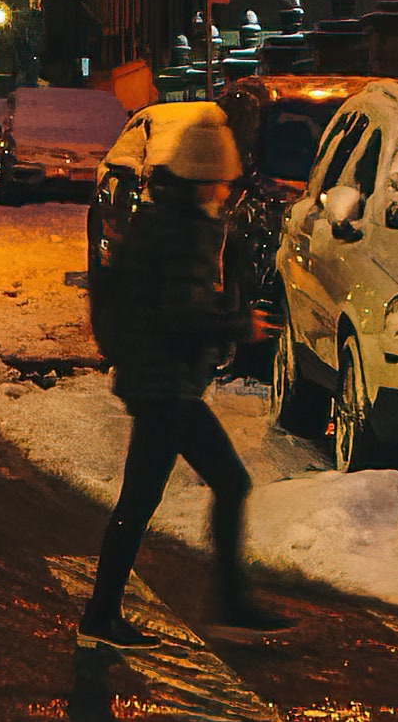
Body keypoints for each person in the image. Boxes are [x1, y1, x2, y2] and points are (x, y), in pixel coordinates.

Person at [80, 107, 292, 641]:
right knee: (227, 482)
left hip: (155, 378)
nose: (227, 190)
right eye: (223, 179)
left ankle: (104, 613)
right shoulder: (189, 233)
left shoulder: (158, 221)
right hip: (166, 383)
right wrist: (239, 323)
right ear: (207, 177)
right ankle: (227, 603)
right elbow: (180, 313)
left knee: (144, 498)